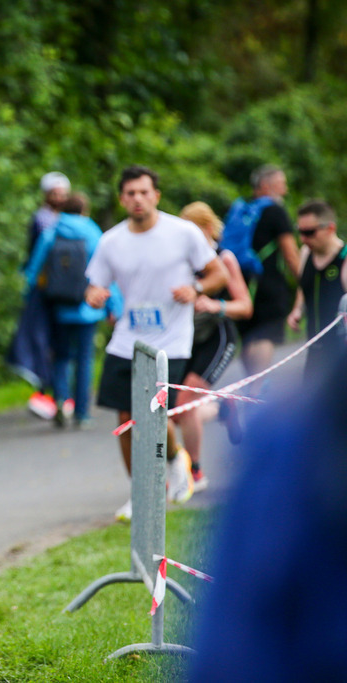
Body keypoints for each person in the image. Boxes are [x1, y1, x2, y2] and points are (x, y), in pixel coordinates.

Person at [189, 351, 347, 683]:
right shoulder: (295, 437)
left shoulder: (293, 436)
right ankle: (223, 410)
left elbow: (231, 649)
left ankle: (221, 412)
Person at [84, 166, 227, 522]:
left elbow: (217, 273)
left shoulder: (183, 233)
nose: (137, 199)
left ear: (156, 196)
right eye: (130, 193)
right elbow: (92, 287)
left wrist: (195, 289)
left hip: (171, 340)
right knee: (125, 419)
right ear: (122, 199)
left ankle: (176, 455)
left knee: (152, 412)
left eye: (144, 192)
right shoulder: (111, 241)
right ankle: (142, 493)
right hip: (127, 340)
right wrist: (95, 296)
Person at [171, 202, 253, 491]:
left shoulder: (223, 258)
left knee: (183, 404)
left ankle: (195, 471)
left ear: (207, 229)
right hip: (184, 339)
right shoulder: (180, 260)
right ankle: (221, 408)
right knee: (177, 412)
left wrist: (215, 305)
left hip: (217, 337)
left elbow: (245, 306)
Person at [24, 193, 121, 428]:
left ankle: (61, 401)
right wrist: (114, 306)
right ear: (84, 210)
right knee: (84, 358)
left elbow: (33, 270)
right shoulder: (93, 232)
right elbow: (107, 272)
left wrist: (31, 302)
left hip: (59, 306)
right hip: (89, 308)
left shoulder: (52, 231)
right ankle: (82, 413)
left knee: (61, 356)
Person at [9, 171, 74, 421]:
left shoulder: (46, 221)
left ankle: (60, 395)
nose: (58, 197)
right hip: (50, 291)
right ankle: (52, 395)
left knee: (54, 344)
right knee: (45, 343)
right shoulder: (48, 220)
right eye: (55, 193)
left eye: (62, 194)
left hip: (55, 292)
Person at [233, 164, 300, 381]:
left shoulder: (241, 209)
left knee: (249, 337)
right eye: (281, 185)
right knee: (266, 336)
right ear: (265, 186)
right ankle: (256, 387)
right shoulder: (275, 211)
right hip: (269, 285)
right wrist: (305, 280)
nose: (285, 190)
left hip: (240, 285)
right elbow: (290, 253)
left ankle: (248, 383)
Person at [286, 199, 347, 379]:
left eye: (309, 232)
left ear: (330, 228)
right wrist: (297, 309)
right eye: (300, 231)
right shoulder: (306, 252)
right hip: (314, 352)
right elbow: (304, 285)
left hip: (339, 356)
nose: (303, 239)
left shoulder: (344, 260)